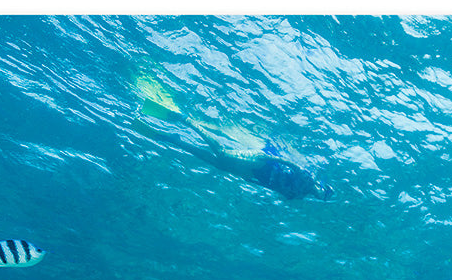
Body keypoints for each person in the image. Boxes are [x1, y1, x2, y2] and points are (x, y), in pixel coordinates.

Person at [134, 73, 334, 201]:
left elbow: (275, 188)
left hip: (256, 175)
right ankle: (185, 120)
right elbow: (286, 161)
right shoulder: (308, 178)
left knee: (217, 163)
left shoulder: (298, 196)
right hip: (264, 162)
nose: (319, 195)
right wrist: (263, 157)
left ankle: (173, 140)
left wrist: (251, 181)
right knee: (221, 153)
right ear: (323, 187)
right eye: (323, 193)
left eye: (322, 198)